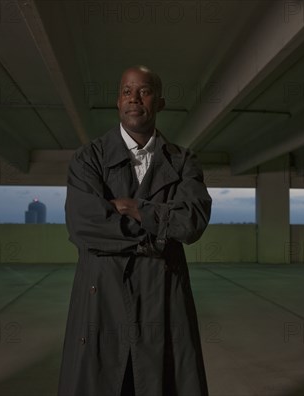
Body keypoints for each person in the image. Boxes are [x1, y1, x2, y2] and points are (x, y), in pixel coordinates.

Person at [57, 65, 212, 396]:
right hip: (103, 298)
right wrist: (158, 234)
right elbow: (85, 225)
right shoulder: (89, 159)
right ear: (117, 101)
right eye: (127, 91)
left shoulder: (184, 161)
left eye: (144, 91)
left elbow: (192, 222)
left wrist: (133, 206)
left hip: (163, 299)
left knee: (159, 380)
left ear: (160, 103)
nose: (134, 98)